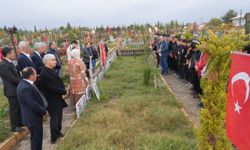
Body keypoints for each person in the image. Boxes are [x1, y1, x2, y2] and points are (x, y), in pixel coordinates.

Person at [38, 54, 67, 144]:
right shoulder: (44, 74)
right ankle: (54, 137)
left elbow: (59, 81)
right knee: (54, 118)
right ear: (47, 62)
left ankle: (58, 132)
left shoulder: (51, 70)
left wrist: (63, 89)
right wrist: (63, 91)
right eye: (53, 60)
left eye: (55, 59)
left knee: (59, 117)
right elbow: (51, 87)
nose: (55, 61)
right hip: (51, 100)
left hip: (57, 97)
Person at [17, 67, 47, 150]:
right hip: (32, 118)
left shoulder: (26, 84)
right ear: (31, 76)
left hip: (33, 117)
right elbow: (32, 104)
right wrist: (43, 111)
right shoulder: (25, 88)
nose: (37, 75)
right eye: (35, 74)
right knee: (36, 140)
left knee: (37, 139)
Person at [0, 47, 24, 132]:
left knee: (18, 107)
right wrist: (22, 82)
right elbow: (11, 78)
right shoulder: (3, 65)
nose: (14, 54)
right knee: (14, 108)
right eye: (13, 53)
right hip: (11, 90)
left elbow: (16, 74)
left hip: (16, 89)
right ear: (8, 54)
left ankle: (20, 122)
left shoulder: (9, 63)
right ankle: (14, 126)